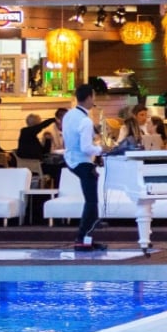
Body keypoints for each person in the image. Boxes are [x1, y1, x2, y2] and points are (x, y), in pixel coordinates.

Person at [64, 84, 106, 251]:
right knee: (91, 202)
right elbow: (86, 148)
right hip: (83, 162)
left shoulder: (69, 115)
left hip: (71, 160)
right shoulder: (85, 120)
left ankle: (87, 238)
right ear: (89, 97)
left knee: (91, 202)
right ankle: (81, 238)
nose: (94, 101)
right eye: (93, 97)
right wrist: (102, 149)